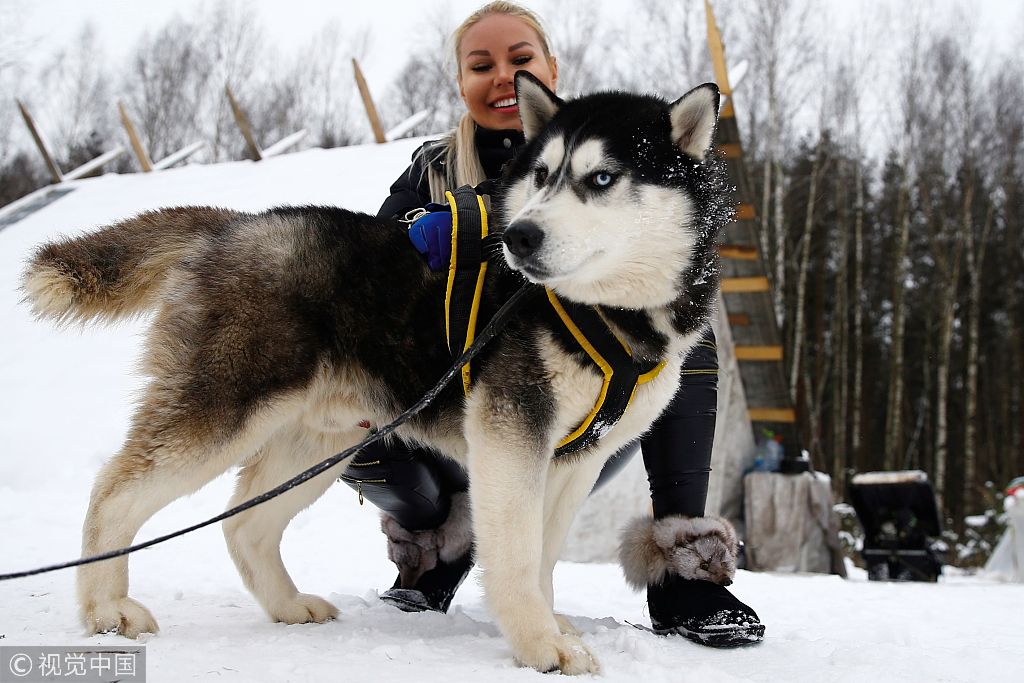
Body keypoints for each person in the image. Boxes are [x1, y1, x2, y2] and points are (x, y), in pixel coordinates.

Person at [344, 0, 764, 648]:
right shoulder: (431, 167)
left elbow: (668, 225)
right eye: (479, 64)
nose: (500, 76)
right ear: (460, 80)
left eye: (520, 59)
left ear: (549, 68)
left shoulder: (622, 144)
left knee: (681, 336)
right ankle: (438, 547)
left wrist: (482, 216)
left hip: (570, 416)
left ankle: (683, 556)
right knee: (346, 397)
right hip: (438, 420)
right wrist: (446, 222)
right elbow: (370, 261)